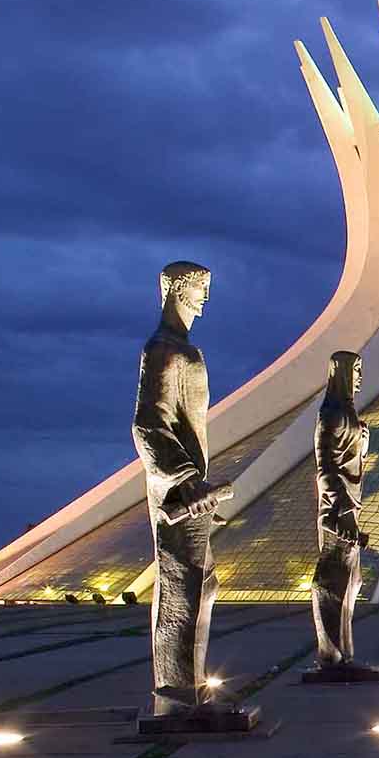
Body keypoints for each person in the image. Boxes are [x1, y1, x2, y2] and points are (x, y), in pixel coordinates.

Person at [133, 261, 231, 716]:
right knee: (181, 584)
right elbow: (148, 424)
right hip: (179, 493)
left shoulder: (185, 350)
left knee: (202, 583)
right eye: (198, 288)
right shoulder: (164, 351)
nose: (205, 298)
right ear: (173, 289)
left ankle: (188, 686)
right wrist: (185, 480)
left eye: (208, 289)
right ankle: (176, 692)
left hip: (195, 492)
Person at [311, 350, 369, 667]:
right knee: (332, 580)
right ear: (341, 372)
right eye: (355, 370)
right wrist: (342, 508)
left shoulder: (348, 412)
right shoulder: (331, 413)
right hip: (338, 513)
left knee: (352, 581)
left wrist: (364, 443)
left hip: (351, 507)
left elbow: (350, 463)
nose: (359, 376)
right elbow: (326, 467)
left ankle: (344, 651)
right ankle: (329, 653)